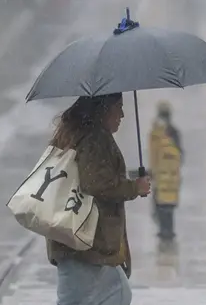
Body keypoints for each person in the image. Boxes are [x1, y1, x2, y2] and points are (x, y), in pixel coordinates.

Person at [46, 94, 149, 305]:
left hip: (80, 241)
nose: (122, 114)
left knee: (118, 293)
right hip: (85, 243)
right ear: (102, 110)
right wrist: (134, 187)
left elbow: (90, 177)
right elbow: (95, 183)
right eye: (118, 107)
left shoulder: (78, 135)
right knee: (112, 294)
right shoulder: (94, 139)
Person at [148, 101, 183, 242]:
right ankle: (168, 230)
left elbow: (153, 156)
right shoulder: (174, 133)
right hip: (172, 177)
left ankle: (164, 230)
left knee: (160, 205)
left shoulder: (155, 133)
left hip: (159, 176)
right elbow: (181, 155)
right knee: (169, 205)